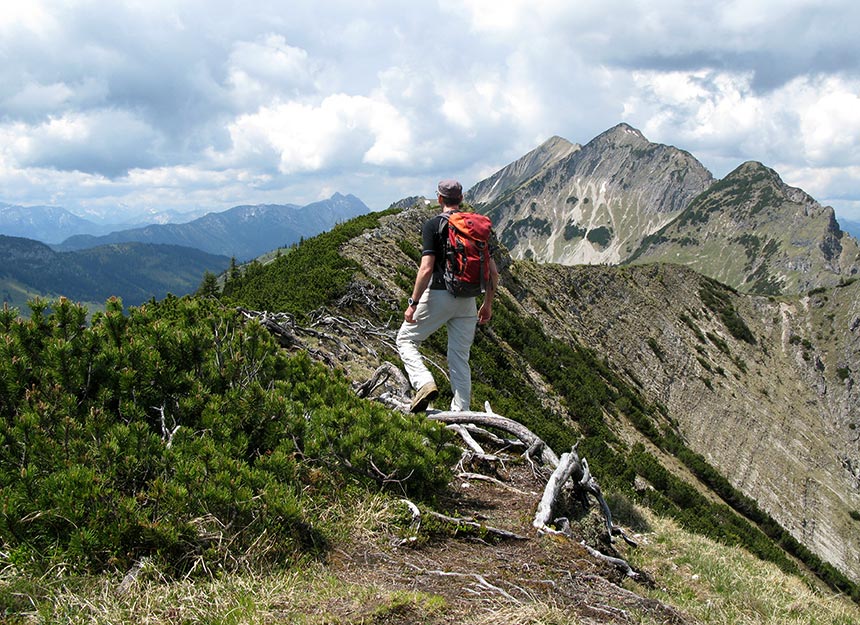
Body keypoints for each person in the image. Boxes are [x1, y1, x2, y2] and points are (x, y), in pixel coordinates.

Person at [396, 179, 499, 413]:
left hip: (440, 295)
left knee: (405, 339)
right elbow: (493, 272)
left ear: (440, 198)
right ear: (461, 199)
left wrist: (413, 303)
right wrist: (487, 305)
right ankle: (461, 414)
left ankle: (423, 382)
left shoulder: (434, 225)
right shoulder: (477, 229)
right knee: (459, 359)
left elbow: (426, 268)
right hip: (468, 301)